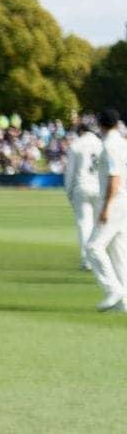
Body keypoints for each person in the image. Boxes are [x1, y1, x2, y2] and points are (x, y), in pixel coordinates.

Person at [87, 109, 127, 312]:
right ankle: (124, 302)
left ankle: (113, 290)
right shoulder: (122, 142)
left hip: (115, 200)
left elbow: (114, 178)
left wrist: (107, 207)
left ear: (101, 125)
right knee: (118, 250)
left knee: (93, 247)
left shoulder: (110, 145)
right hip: (123, 200)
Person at [64, 118, 104, 268]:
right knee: (98, 225)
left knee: (84, 224)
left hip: (81, 186)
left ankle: (87, 260)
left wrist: (68, 192)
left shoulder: (76, 144)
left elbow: (70, 172)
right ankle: (99, 257)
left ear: (81, 131)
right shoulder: (100, 144)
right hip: (99, 187)